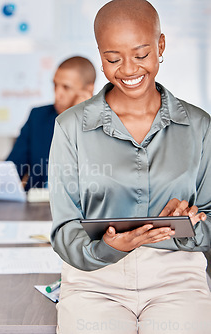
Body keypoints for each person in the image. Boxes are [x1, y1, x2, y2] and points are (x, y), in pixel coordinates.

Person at [48, 1, 211, 333]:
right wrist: (108, 248)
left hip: (176, 275)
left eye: (141, 54)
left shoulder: (199, 126)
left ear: (160, 45)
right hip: (95, 279)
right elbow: (64, 229)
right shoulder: (70, 127)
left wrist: (188, 227)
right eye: (112, 58)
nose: (128, 69)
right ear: (100, 54)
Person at [7, 56, 96, 190]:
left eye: (66, 87)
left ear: (88, 91)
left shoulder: (103, 124)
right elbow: (12, 169)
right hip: (37, 206)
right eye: (55, 85)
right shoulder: (37, 117)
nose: (57, 94)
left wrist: (82, 120)